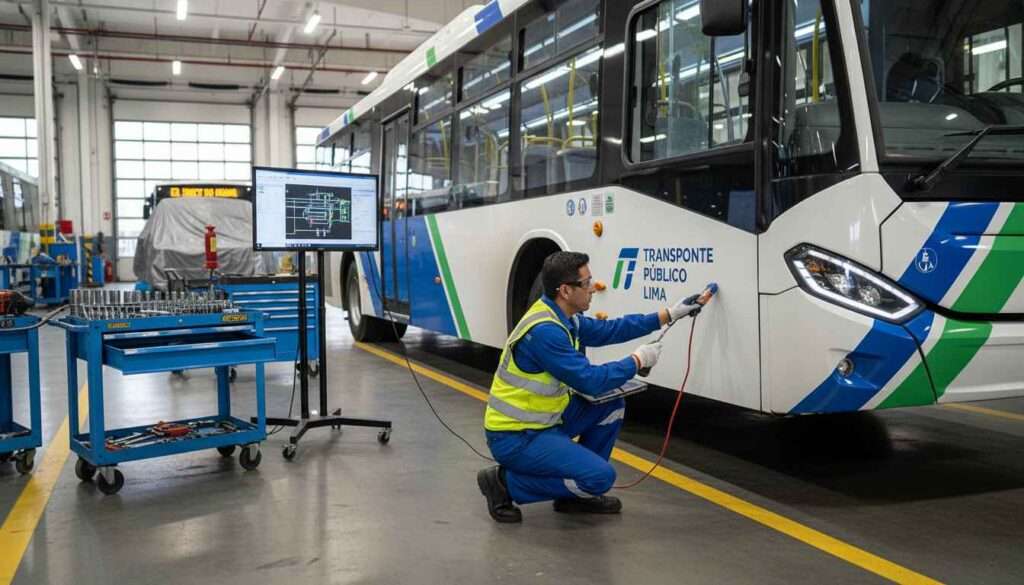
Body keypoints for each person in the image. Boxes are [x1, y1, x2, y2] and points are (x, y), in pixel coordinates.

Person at [477, 251, 704, 523]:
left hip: (546, 420)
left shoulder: (562, 315)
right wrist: (636, 361)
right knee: (601, 477)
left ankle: (574, 496)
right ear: (565, 290)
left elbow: (610, 330)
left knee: (612, 405)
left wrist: (668, 314)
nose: (593, 288)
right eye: (586, 283)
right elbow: (590, 381)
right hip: (517, 437)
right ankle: (504, 484)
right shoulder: (545, 332)